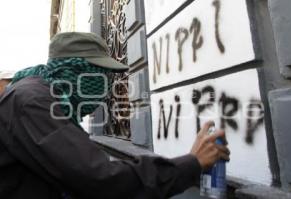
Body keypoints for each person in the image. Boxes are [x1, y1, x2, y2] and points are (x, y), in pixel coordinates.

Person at [0, 32, 230, 199]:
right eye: (97, 76)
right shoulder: (33, 102)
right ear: (72, 70)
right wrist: (191, 164)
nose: (105, 87)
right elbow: (97, 178)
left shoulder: (40, 94)